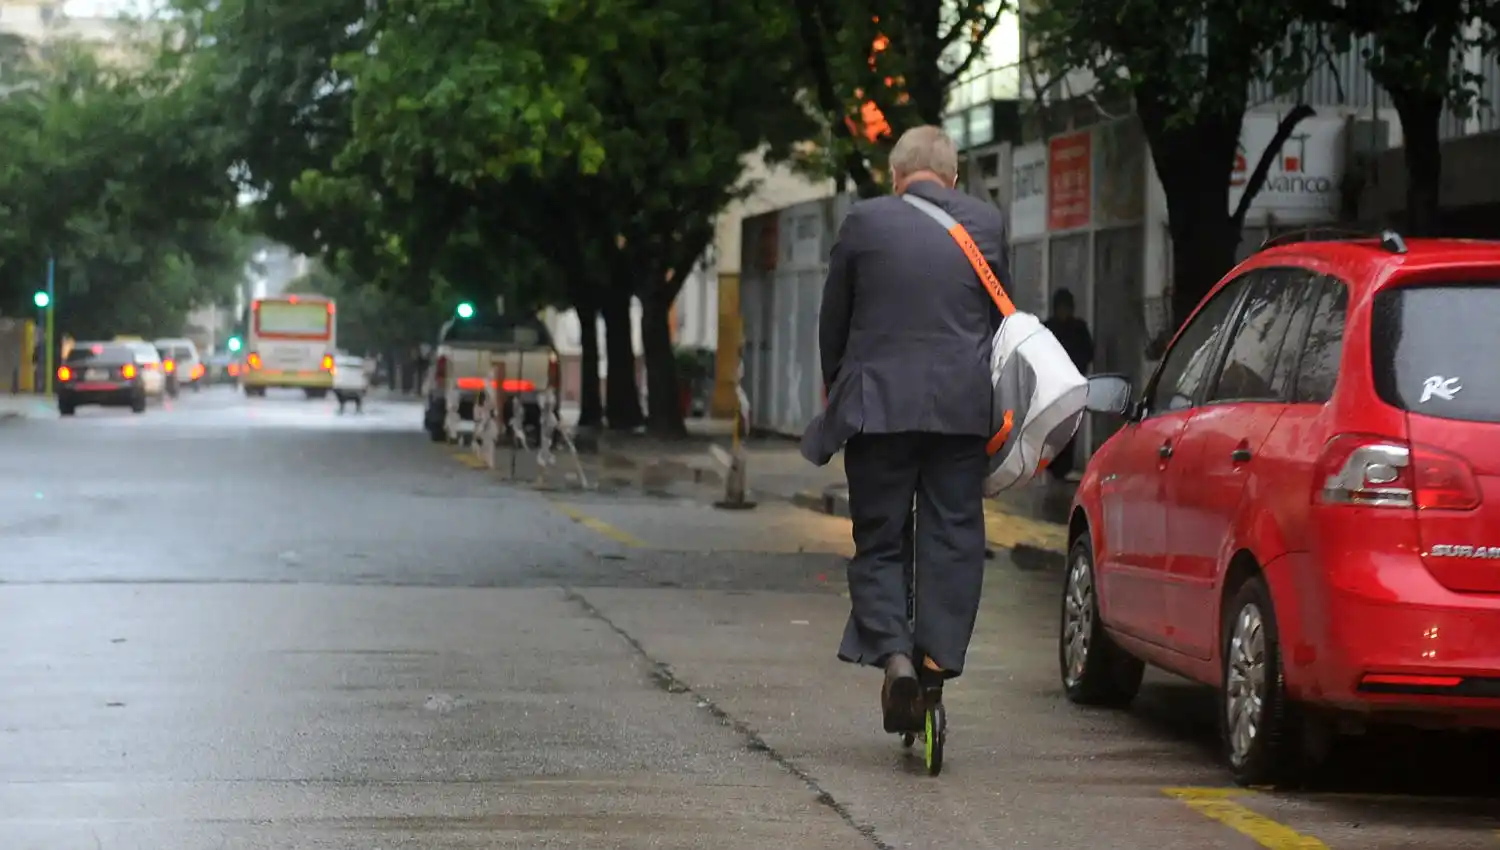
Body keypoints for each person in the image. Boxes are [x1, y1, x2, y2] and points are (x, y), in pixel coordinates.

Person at [801, 125, 1006, 733]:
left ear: (895, 176)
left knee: (880, 538)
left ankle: (895, 657)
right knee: (954, 537)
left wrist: (840, 391)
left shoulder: (864, 222)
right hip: (961, 412)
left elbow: (833, 321)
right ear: (954, 176)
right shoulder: (987, 225)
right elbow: (999, 323)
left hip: (878, 409)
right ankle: (935, 667)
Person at [1042, 288, 1093, 481]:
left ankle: (1064, 467)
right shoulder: (1047, 328)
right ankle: (1053, 466)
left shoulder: (1078, 329)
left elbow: (1088, 352)